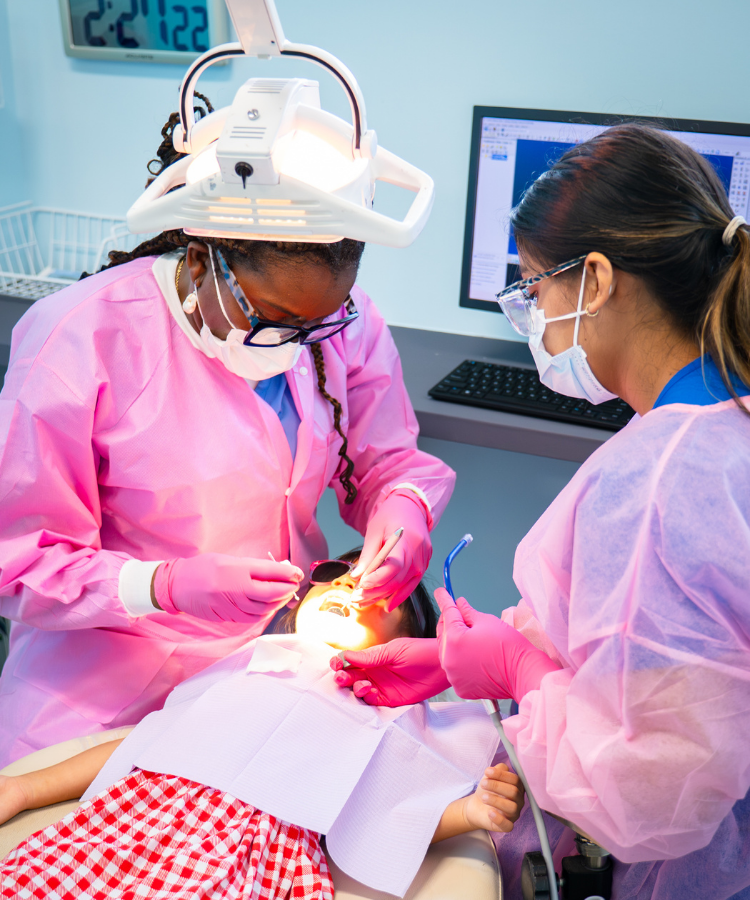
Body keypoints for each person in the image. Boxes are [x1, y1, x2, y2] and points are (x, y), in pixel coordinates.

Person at [333, 124, 750, 900]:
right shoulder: (716, 418)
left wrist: (519, 671)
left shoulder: (660, 483)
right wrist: (456, 663)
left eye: (531, 287)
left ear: (595, 277)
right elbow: (640, 641)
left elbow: (648, 794)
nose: (529, 313)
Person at [0, 98, 455, 767]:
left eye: (317, 322)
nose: (296, 341)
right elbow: (20, 560)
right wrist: (160, 585)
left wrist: (405, 510)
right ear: (203, 251)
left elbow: (389, 462)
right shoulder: (78, 338)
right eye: (271, 316)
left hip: (266, 678)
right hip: (97, 707)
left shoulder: (343, 323)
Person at [0, 552, 523, 900]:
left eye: (373, 591)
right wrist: (23, 788)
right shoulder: (254, 662)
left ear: (408, 641)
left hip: (255, 850)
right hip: (137, 820)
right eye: (337, 576)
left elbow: (394, 804)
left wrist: (469, 811)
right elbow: (147, 743)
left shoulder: (386, 707)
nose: (348, 585)